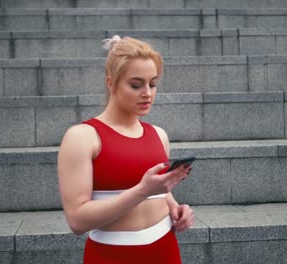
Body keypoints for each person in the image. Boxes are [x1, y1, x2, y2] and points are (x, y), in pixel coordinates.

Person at [57, 35, 195, 264]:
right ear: (111, 83)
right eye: (136, 84)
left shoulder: (159, 135)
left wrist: (176, 208)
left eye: (152, 84)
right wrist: (141, 191)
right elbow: (77, 221)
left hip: (165, 249)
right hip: (112, 255)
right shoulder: (82, 137)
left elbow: (160, 192)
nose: (147, 93)